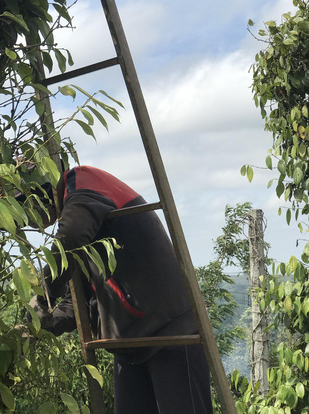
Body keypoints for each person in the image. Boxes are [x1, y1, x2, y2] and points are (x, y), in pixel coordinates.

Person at [26, 165, 212, 414]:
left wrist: (43, 294)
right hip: (131, 346)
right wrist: (37, 327)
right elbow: (75, 303)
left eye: (26, 210)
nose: (30, 222)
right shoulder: (82, 224)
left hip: (171, 335)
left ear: (40, 193)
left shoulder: (82, 183)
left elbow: (70, 238)